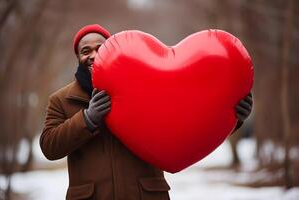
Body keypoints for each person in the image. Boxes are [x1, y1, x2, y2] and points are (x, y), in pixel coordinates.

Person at [40, 24, 253, 200]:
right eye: (86, 51)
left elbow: (182, 126)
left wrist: (234, 118)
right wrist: (87, 119)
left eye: (100, 48)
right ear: (78, 57)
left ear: (110, 50)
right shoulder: (61, 100)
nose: (93, 55)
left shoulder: (144, 86)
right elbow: (49, 147)